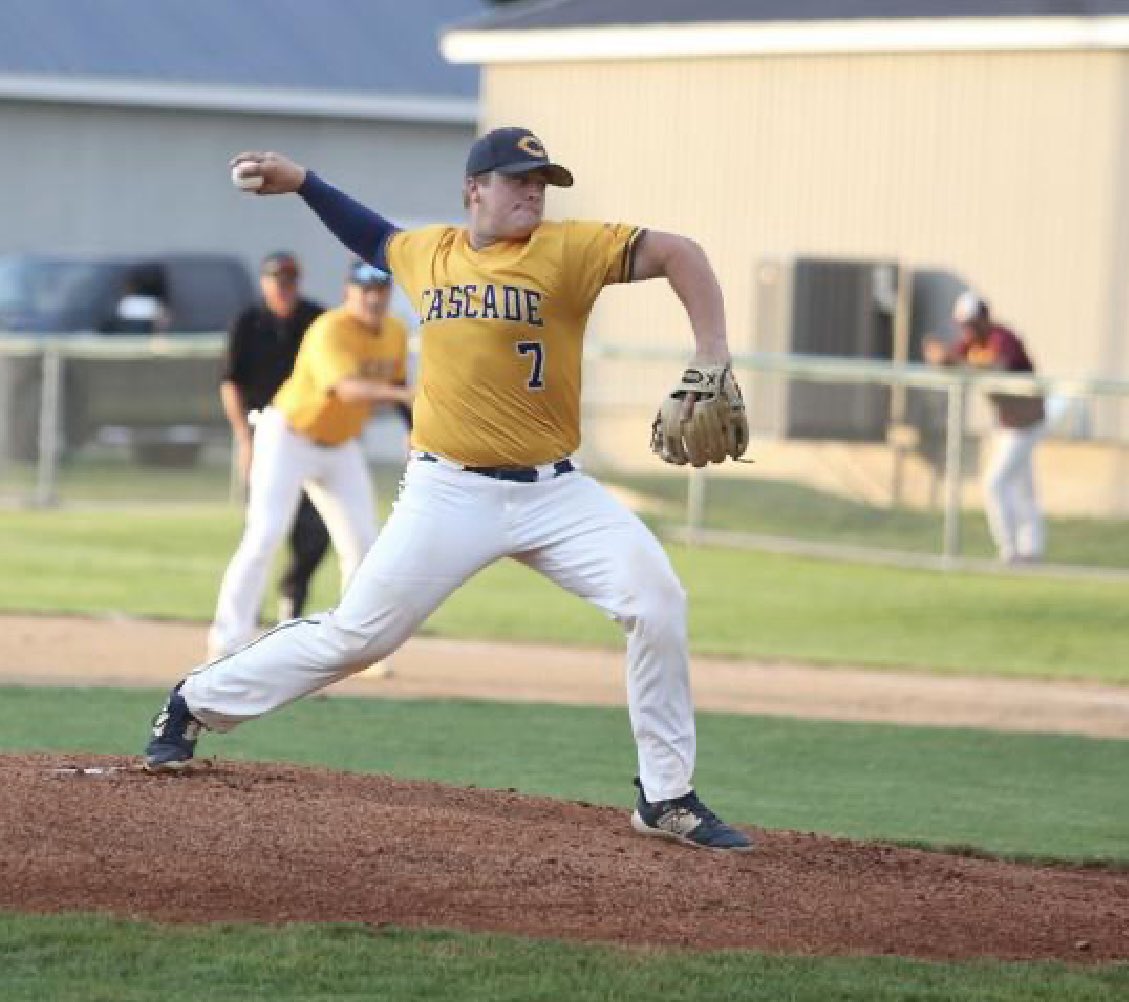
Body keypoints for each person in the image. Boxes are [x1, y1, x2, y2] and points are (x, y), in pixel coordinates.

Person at [145, 126, 754, 853]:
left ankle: (666, 795)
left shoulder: (569, 249)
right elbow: (369, 233)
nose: (533, 192)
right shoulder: (429, 253)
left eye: (541, 182)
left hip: (557, 494)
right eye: (518, 179)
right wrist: (303, 182)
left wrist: (712, 351)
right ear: (474, 189)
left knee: (655, 602)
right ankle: (195, 701)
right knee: (360, 637)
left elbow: (682, 253)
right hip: (449, 492)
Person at [208, 258, 412, 658]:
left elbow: (398, 380)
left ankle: (357, 647)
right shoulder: (328, 329)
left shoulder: (395, 331)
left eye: (380, 290)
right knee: (265, 534)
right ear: (348, 292)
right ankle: (227, 639)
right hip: (288, 436)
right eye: (365, 290)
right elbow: (345, 389)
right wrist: (404, 397)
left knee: (363, 542)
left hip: (341, 445)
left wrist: (411, 426)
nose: (373, 299)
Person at [222, 251, 330, 627]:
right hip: (264, 429)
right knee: (264, 531)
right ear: (264, 283)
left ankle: (291, 600)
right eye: (277, 281)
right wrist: (244, 439)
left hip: (310, 435)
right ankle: (241, 620)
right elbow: (231, 382)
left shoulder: (316, 320)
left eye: (290, 281)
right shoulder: (248, 322)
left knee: (314, 532)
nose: (284, 288)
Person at [924, 291, 1046, 564]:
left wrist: (954, 361)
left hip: (1027, 423)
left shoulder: (1002, 338)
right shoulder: (971, 344)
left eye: (971, 323)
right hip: (1007, 424)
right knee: (1022, 488)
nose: (966, 330)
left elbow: (997, 366)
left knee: (996, 482)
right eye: (962, 325)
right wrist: (940, 357)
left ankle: (1010, 550)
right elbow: (952, 360)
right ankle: (1031, 550)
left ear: (984, 319)